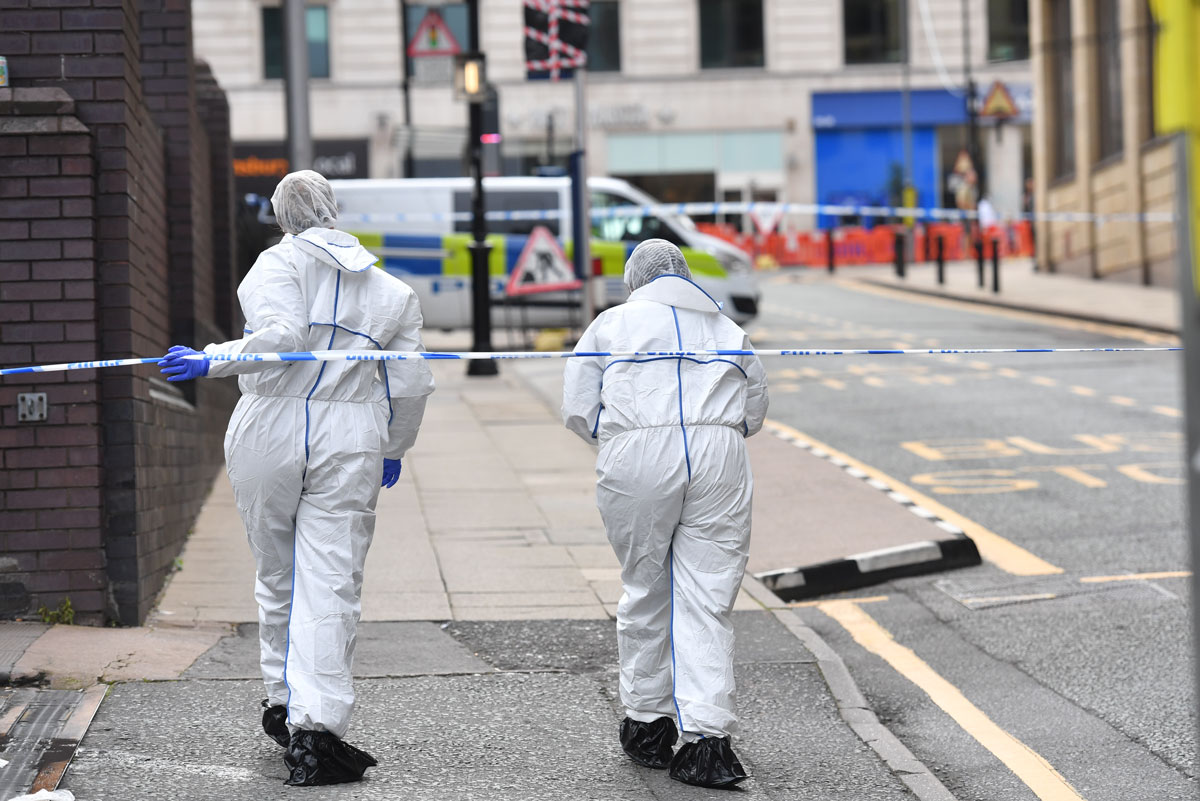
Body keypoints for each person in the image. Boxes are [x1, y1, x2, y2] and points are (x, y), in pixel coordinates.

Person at [159, 170, 434, 787]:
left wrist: (214, 359)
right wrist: (395, 446)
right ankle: (317, 729)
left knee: (277, 571)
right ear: (333, 210)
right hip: (351, 436)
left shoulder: (273, 266)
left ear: (282, 216)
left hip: (269, 429)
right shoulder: (392, 292)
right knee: (331, 580)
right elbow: (411, 382)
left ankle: (281, 702)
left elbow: (282, 339)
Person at [561, 239, 768, 789]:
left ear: (636, 278)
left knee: (645, 586)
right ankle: (708, 742)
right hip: (720, 455)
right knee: (708, 595)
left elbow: (578, 409)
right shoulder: (727, 328)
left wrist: (622, 438)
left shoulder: (610, 325)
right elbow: (755, 409)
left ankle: (648, 723)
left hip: (638, 454)